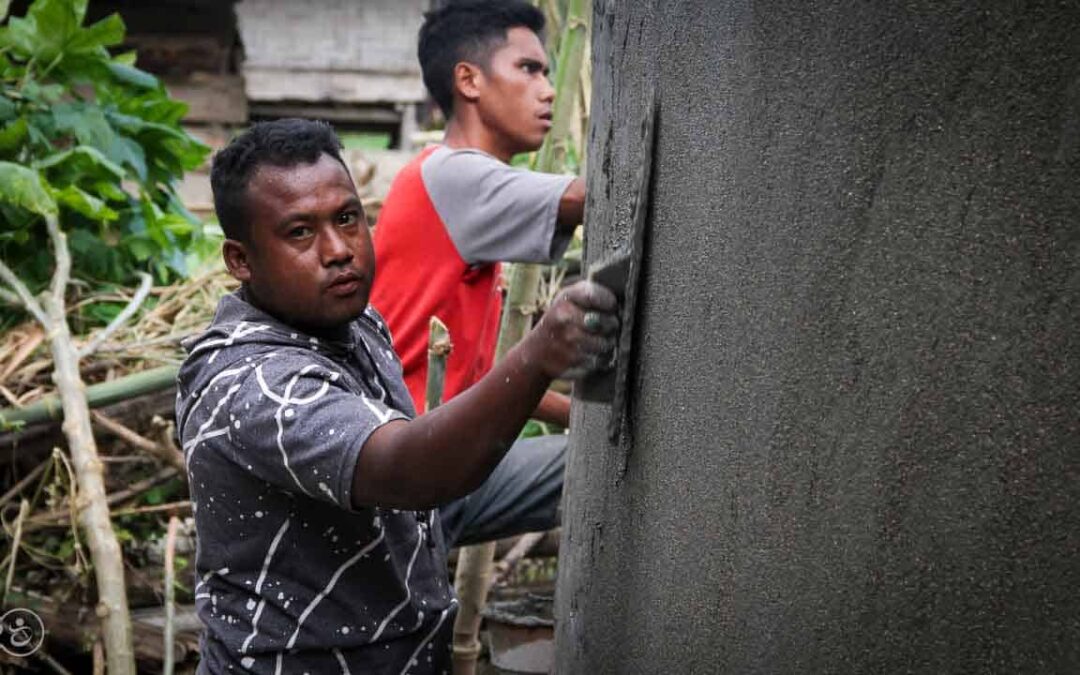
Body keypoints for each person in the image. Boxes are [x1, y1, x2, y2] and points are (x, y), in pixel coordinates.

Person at [176, 119, 617, 673]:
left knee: (581, 467)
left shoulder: (357, 325)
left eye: (347, 219)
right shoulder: (249, 383)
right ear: (240, 260)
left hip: (397, 646)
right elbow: (410, 474)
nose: (339, 250)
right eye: (300, 234)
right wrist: (537, 357)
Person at [369, 0, 585, 545]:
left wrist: (584, 417)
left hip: (420, 457)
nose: (548, 89)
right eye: (529, 69)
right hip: (412, 464)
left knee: (594, 456)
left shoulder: (457, 194)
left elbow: (493, 380)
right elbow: (596, 196)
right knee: (608, 472)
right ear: (468, 80)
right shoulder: (453, 175)